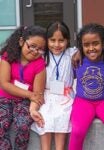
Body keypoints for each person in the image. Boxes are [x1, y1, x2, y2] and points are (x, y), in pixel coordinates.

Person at [31, 21, 77, 150]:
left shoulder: (71, 54)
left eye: (61, 40)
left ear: (67, 40)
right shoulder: (42, 55)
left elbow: (83, 54)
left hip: (65, 96)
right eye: (52, 40)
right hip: (46, 95)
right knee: (44, 116)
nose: (56, 45)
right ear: (47, 40)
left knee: (63, 116)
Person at [0, 25, 46, 150]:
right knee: (0, 125)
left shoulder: (40, 63)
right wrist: (30, 94)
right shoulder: (8, 56)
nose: (35, 51)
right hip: (4, 98)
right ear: (21, 42)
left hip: (24, 102)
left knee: (23, 125)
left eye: (40, 49)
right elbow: (4, 84)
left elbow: (37, 94)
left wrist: (33, 110)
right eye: (32, 46)